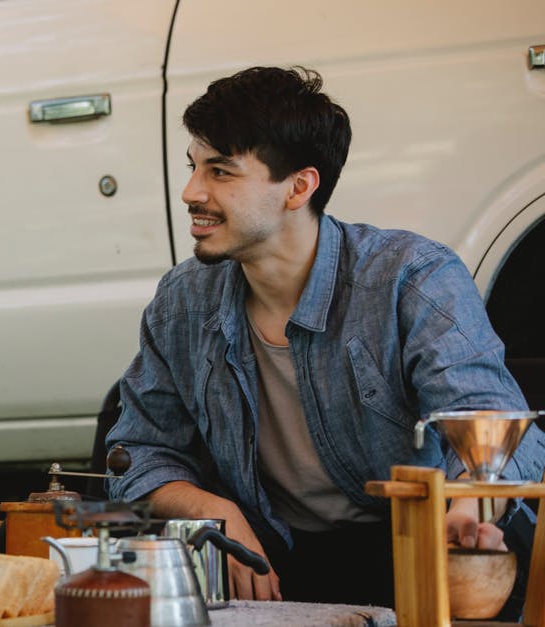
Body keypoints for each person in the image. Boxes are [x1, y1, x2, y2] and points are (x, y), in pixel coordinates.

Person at [106, 66, 545, 608]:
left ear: (299, 186)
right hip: (280, 558)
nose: (191, 191)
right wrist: (216, 512)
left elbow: (493, 426)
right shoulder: (182, 300)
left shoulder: (411, 277)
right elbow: (139, 450)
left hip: (420, 546)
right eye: (194, 166)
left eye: (221, 171)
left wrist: (466, 512)